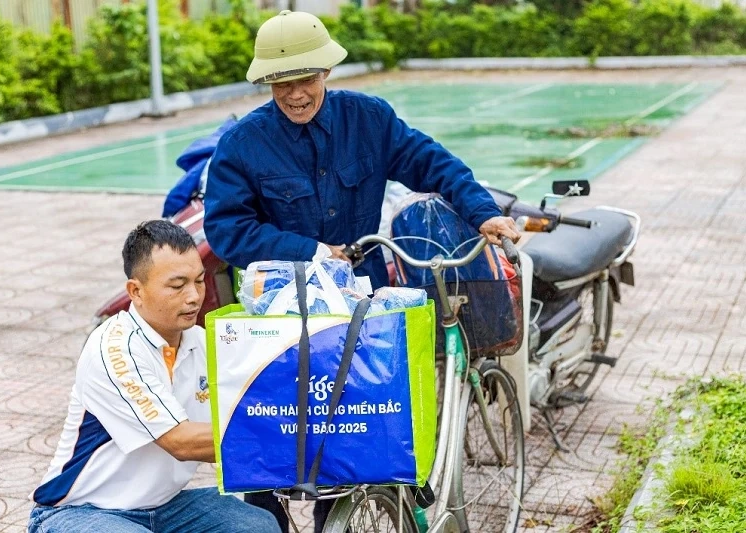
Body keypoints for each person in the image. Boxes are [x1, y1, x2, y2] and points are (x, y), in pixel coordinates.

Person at [202, 10, 521, 532]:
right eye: (281, 83)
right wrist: (309, 250)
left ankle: (345, 508)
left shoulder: (370, 120)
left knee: (358, 421)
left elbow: (434, 163)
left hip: (359, 295)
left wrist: (483, 212)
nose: (296, 93)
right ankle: (266, 513)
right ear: (266, 82)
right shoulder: (243, 145)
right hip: (281, 306)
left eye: (305, 78)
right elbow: (228, 230)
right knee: (274, 424)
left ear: (326, 71)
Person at [28, 220, 280, 533]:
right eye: (177, 286)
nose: (194, 297)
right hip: (80, 512)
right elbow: (181, 442)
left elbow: (249, 407)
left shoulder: (201, 342)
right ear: (136, 291)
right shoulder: (115, 348)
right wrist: (285, 432)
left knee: (258, 526)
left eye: (200, 281)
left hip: (165, 507)